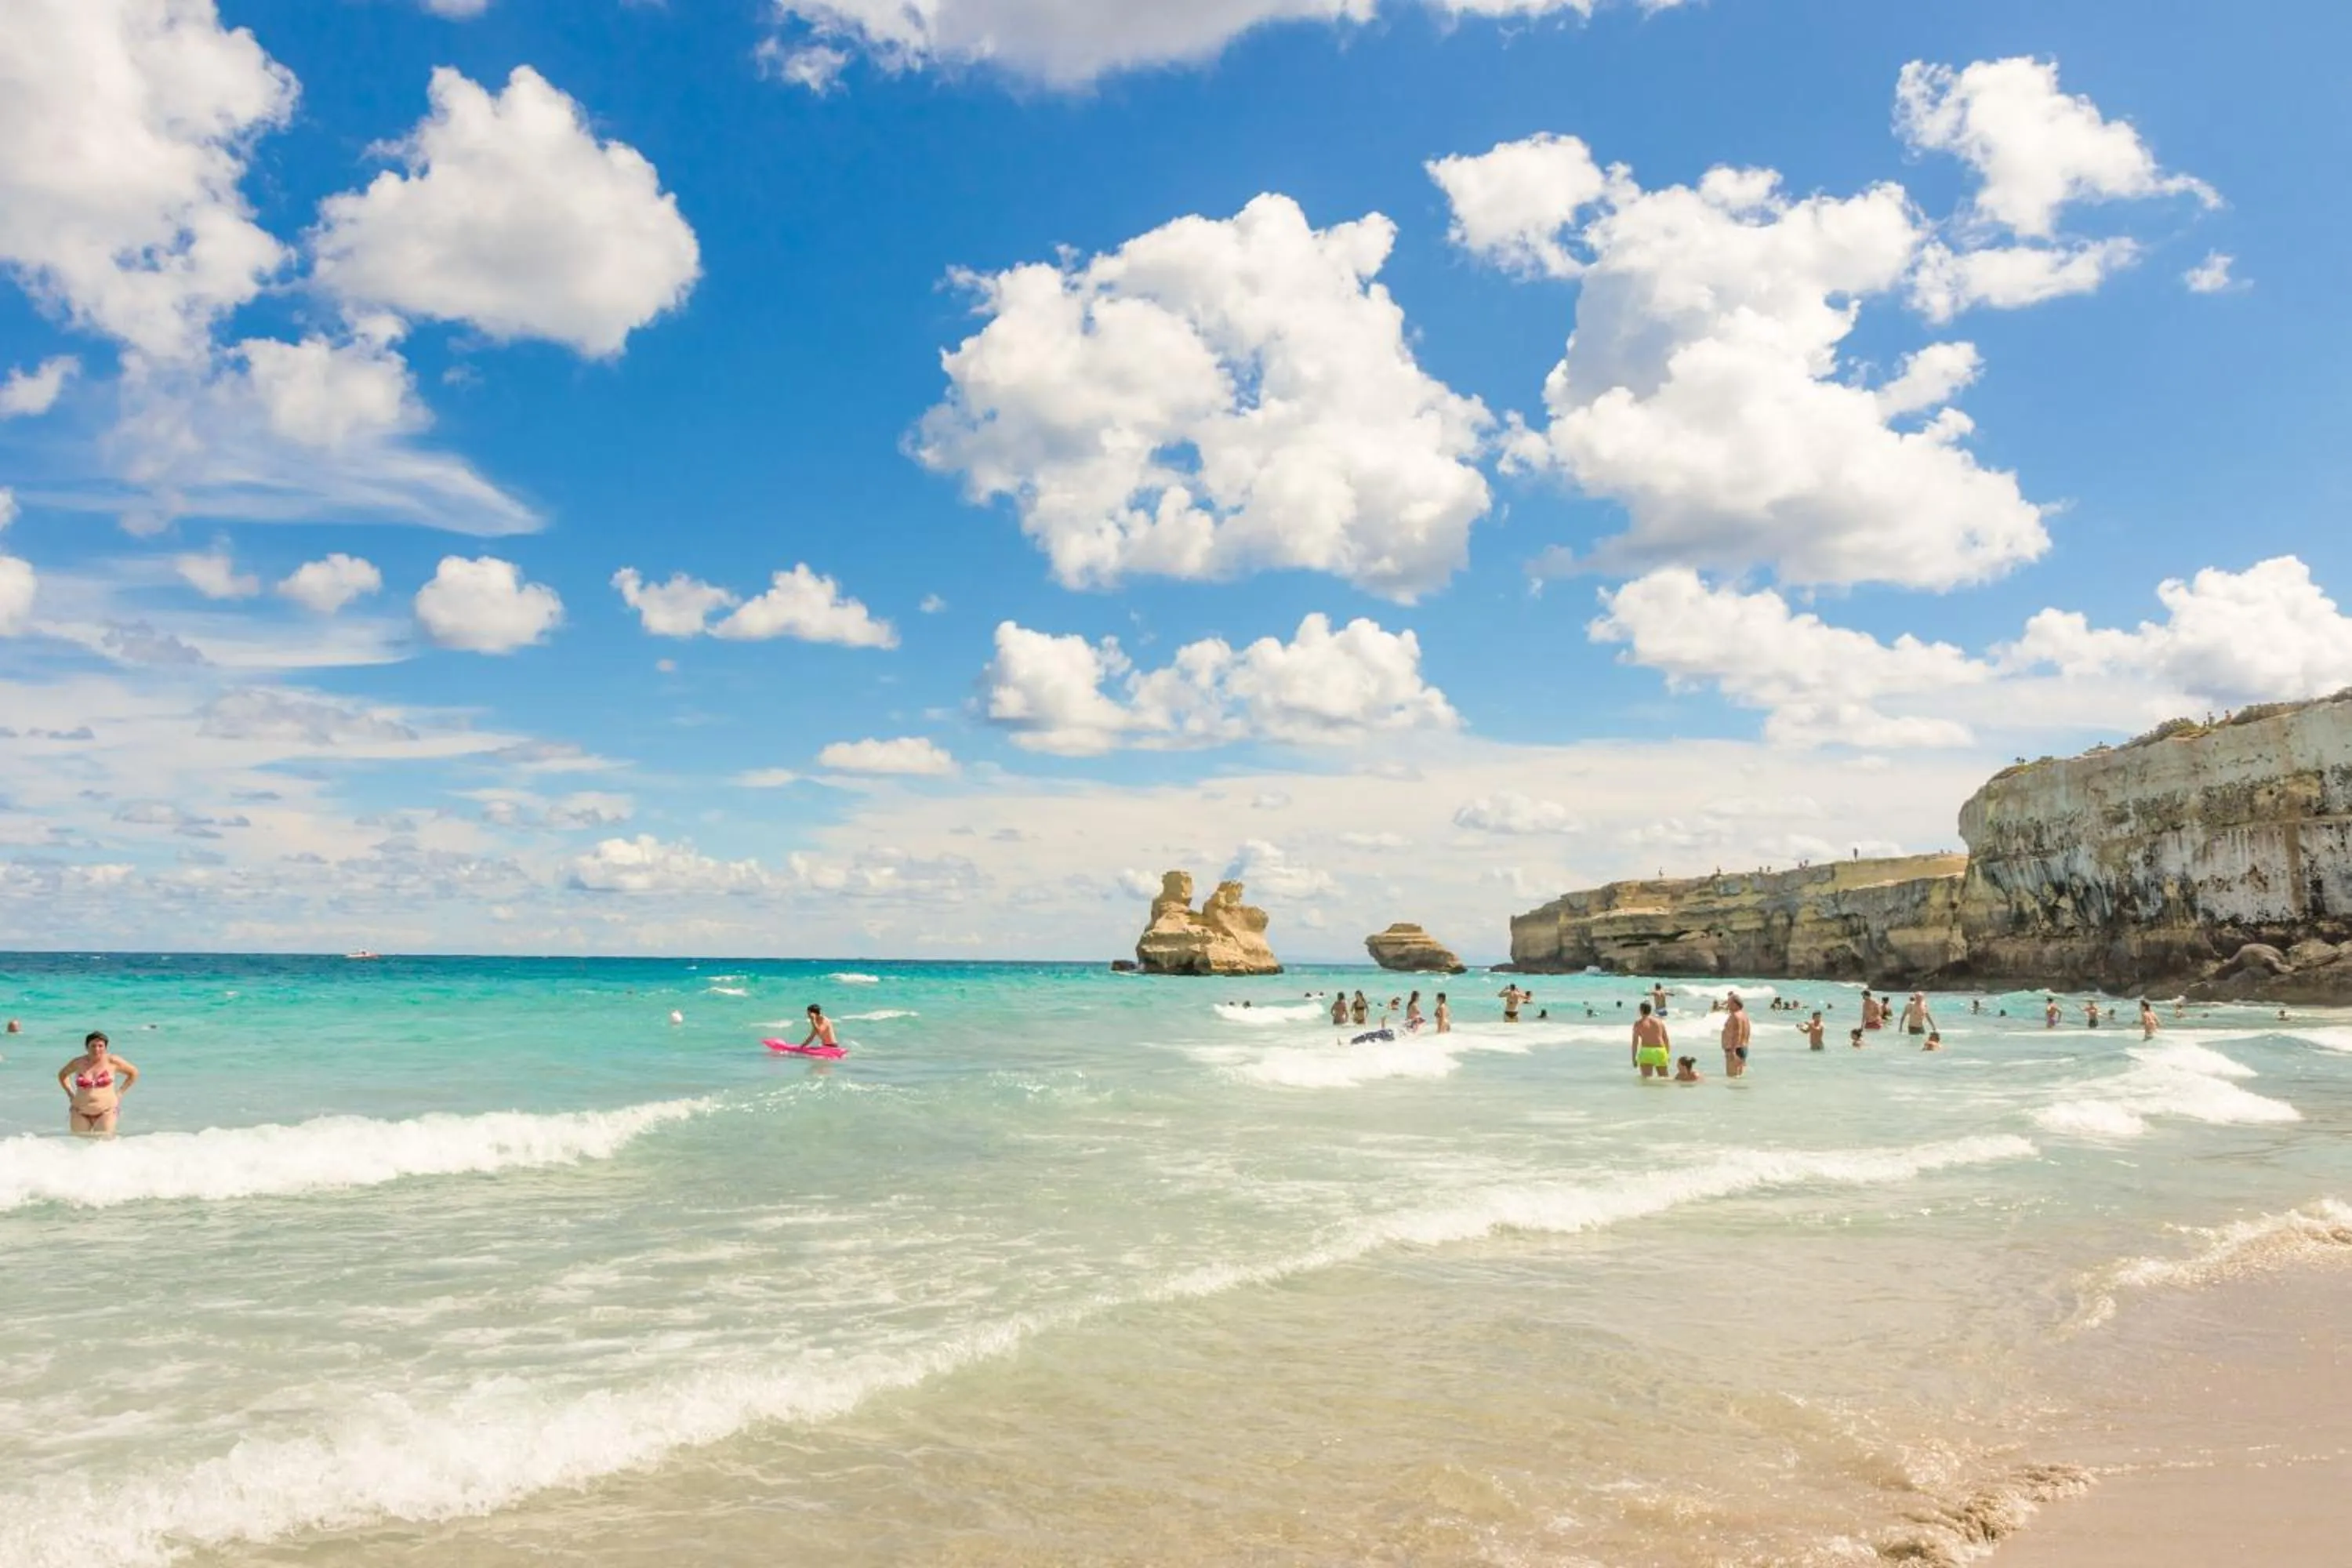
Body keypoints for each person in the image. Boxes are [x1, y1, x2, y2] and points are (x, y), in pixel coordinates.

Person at [58, 1030, 138, 1135]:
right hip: (79, 1111)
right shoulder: (78, 1062)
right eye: (93, 1046)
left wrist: (120, 1092)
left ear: (105, 1047)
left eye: (101, 1046)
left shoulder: (112, 1061)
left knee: (104, 1142)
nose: (97, 1049)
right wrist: (70, 1094)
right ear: (86, 1047)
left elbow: (133, 1073)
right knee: (78, 1142)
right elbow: (62, 1075)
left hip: (106, 1112)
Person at [1632, 1001, 1671, 1079]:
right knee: (1664, 1078)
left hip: (1646, 1051)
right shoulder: (1659, 1022)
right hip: (1660, 1051)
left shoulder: (1638, 1023)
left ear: (1641, 1010)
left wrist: (1634, 1058)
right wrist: (1667, 1054)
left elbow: (1635, 1042)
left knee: (1646, 1080)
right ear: (1650, 1010)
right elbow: (1666, 1039)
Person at [1721, 993, 1751, 1078]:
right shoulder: (1744, 1016)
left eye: (1729, 1003)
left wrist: (1733, 1052)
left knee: (1732, 1077)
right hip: (1742, 1048)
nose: (1728, 1006)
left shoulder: (1735, 1016)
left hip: (1734, 1049)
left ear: (1735, 1004)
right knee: (1738, 1077)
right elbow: (1748, 1032)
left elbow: (1738, 1033)